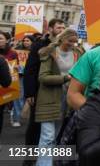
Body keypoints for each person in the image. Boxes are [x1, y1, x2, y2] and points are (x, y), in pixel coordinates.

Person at [35, 29, 83, 166]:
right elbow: (43, 77)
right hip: (49, 98)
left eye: (75, 42)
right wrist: (65, 78)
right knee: (48, 137)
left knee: (55, 136)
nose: (72, 44)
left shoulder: (78, 53)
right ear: (62, 39)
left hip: (67, 100)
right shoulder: (49, 52)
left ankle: (45, 162)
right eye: (70, 41)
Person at [23, 19, 65, 152]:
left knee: (56, 126)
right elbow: (30, 69)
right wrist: (30, 93)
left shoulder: (65, 46)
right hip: (40, 90)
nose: (62, 30)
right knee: (35, 125)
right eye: (59, 28)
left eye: (64, 28)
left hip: (60, 91)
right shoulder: (39, 44)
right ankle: (30, 155)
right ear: (50, 29)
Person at [11, 34, 35, 127]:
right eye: (24, 40)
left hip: (30, 77)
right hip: (20, 76)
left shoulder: (35, 52)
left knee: (27, 97)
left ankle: (23, 114)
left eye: (28, 40)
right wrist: (15, 65)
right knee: (18, 97)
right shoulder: (17, 50)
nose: (25, 42)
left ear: (32, 42)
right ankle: (16, 118)